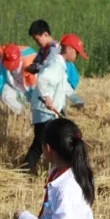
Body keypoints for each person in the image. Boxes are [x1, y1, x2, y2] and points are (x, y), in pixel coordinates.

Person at [22, 20, 71, 172]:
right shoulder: (45, 51)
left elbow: (46, 72)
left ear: (46, 34)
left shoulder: (55, 51)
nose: (38, 42)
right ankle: (27, 169)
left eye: (38, 39)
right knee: (42, 141)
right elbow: (43, 72)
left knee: (46, 140)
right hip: (46, 103)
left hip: (50, 100)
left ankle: (30, 169)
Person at [0, 43, 34, 114]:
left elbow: (35, 85)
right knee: (5, 95)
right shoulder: (3, 56)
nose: (11, 67)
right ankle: (21, 113)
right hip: (13, 86)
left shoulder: (30, 62)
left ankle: (29, 114)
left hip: (29, 90)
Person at [58, 33, 88, 108]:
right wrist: (77, 100)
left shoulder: (64, 64)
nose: (77, 56)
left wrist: (77, 100)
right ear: (68, 49)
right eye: (77, 53)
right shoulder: (56, 64)